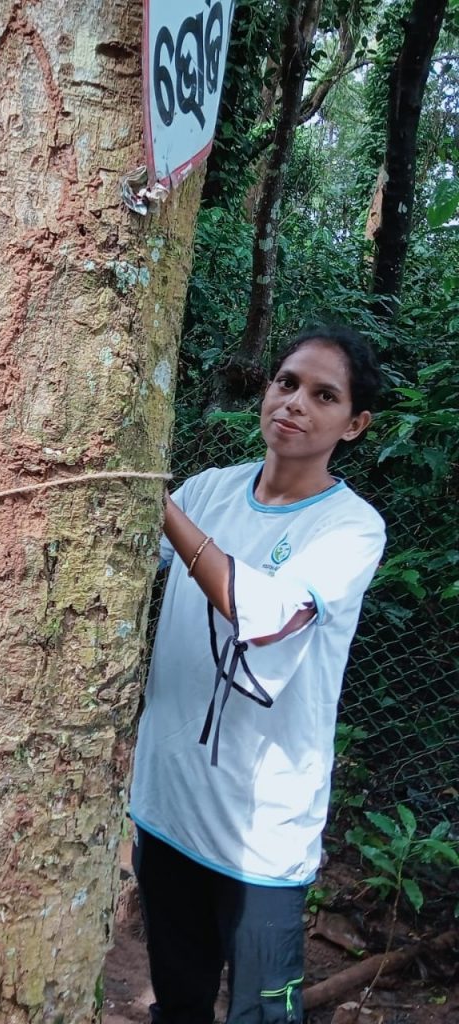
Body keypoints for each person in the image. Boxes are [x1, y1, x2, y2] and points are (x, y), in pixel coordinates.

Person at [129, 326, 386, 1024]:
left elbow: (263, 612)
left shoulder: (351, 528)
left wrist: (156, 500)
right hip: (167, 802)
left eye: (324, 395)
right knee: (179, 1003)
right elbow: (120, 555)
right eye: (287, 382)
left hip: (263, 828)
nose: (296, 402)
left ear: (354, 425)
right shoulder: (212, 489)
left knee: (263, 1015)